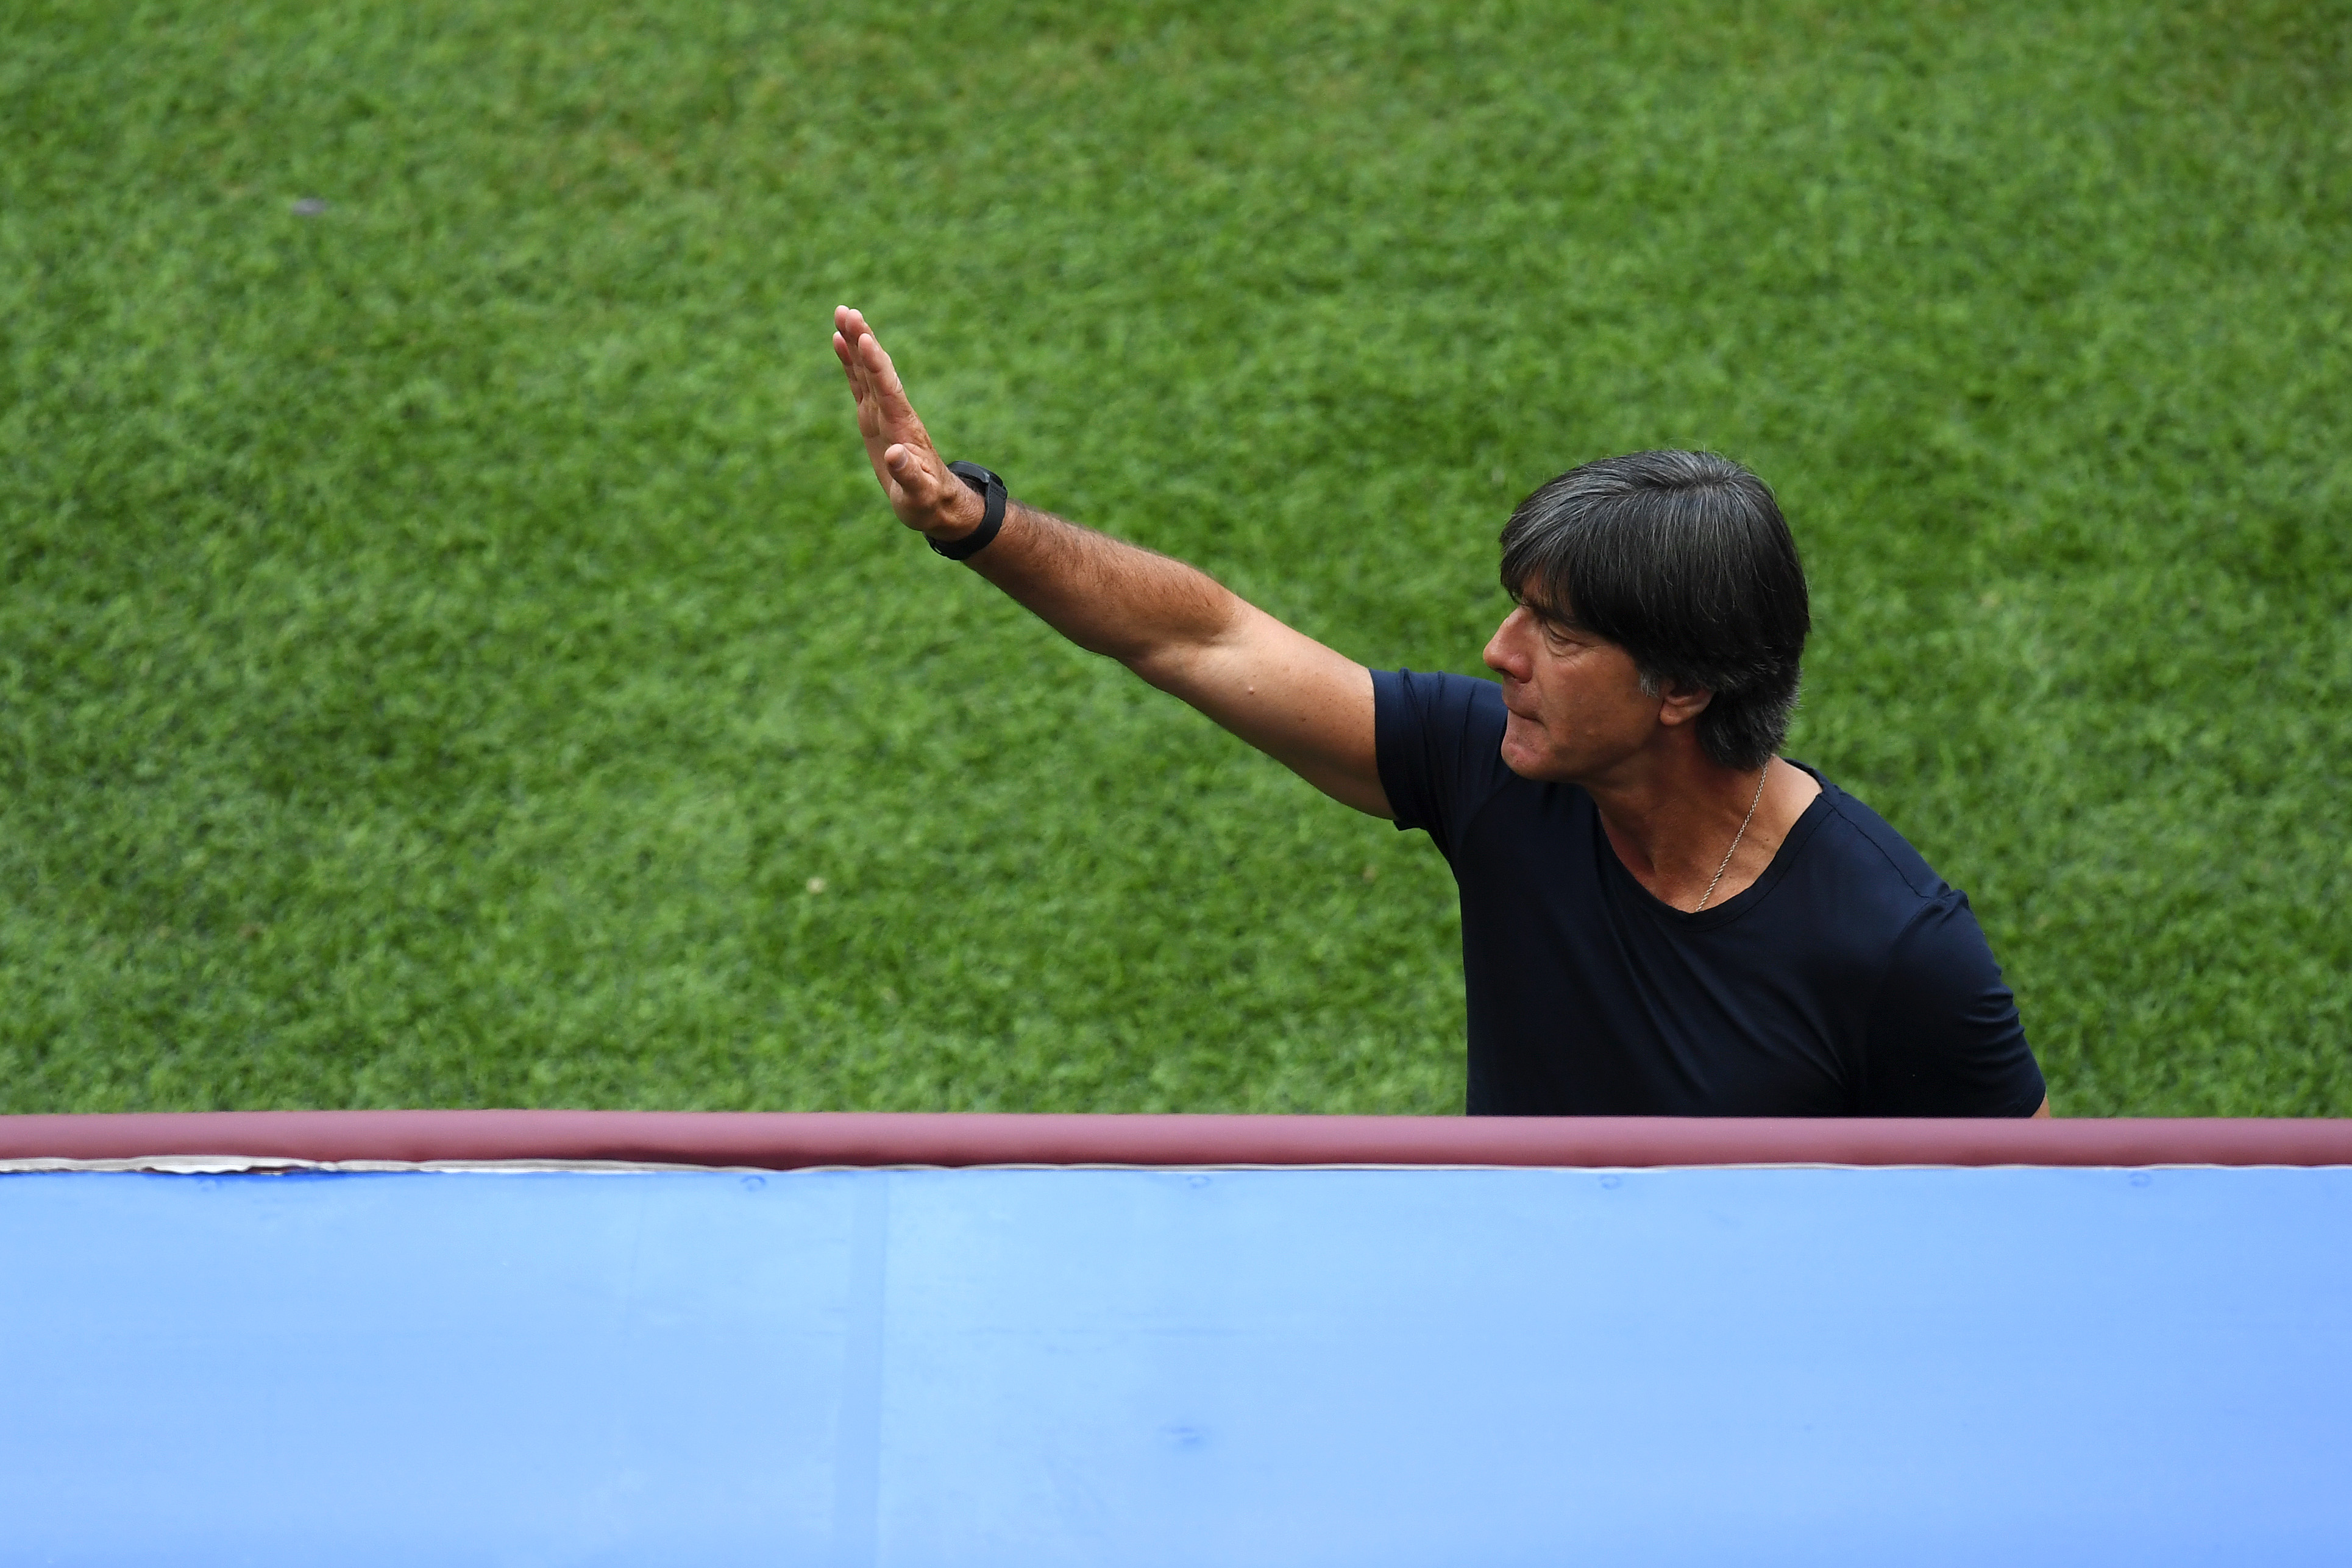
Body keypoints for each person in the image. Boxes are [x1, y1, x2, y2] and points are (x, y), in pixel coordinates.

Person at [831, 306, 2050, 1118]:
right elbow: (1202, 634)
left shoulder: (1895, 947)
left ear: (1682, 689)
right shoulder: (1496, 772)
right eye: (1515, 612)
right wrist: (977, 525)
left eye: (1558, 636)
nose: (1498, 653)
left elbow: (2061, 1218)